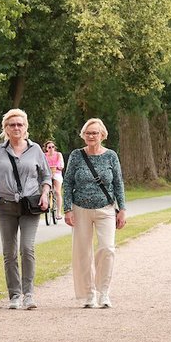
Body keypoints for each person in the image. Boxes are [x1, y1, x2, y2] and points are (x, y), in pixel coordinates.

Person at [0, 109, 52, 310]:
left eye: (20, 124)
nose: (16, 128)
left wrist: (45, 194)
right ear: (5, 128)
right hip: (5, 207)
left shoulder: (35, 149)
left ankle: (28, 294)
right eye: (11, 124)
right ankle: (14, 295)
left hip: (30, 206)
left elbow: (46, 177)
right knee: (9, 252)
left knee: (27, 248)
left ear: (25, 127)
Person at [62, 118, 127, 309]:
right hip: (80, 208)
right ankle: (88, 294)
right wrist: (67, 209)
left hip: (106, 209)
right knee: (83, 252)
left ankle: (103, 292)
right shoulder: (76, 155)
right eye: (88, 133)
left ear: (102, 135)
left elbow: (118, 183)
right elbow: (68, 183)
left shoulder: (111, 156)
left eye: (95, 133)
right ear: (83, 135)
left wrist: (122, 209)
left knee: (107, 248)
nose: (91, 136)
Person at [44, 140, 65, 219]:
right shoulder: (44, 156)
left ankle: (58, 212)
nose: (51, 149)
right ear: (46, 148)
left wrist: (58, 167)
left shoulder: (58, 154)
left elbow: (61, 164)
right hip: (47, 174)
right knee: (45, 190)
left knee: (57, 192)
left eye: (53, 147)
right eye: (49, 147)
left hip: (56, 173)